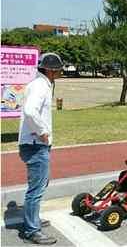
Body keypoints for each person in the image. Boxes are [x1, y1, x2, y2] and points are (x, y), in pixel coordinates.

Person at [18, 53, 63, 245]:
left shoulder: (40, 84)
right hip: (36, 145)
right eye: (59, 68)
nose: (61, 71)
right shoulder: (40, 87)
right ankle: (32, 230)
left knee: (40, 185)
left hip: (34, 144)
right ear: (51, 70)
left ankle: (33, 220)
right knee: (36, 189)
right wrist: (43, 131)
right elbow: (30, 111)